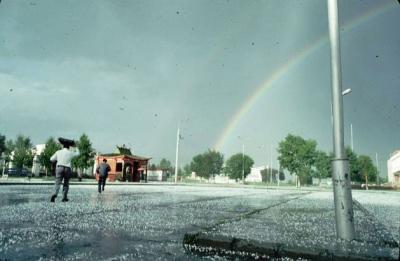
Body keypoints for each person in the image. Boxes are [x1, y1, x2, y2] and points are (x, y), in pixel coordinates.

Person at [50, 138, 79, 202]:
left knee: (57, 182)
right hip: (67, 169)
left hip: (59, 167)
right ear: (69, 147)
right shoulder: (70, 153)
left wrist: (58, 159)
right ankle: (64, 197)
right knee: (66, 183)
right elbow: (78, 154)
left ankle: (54, 194)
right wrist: (75, 147)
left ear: (63, 146)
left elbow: (51, 159)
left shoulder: (58, 152)